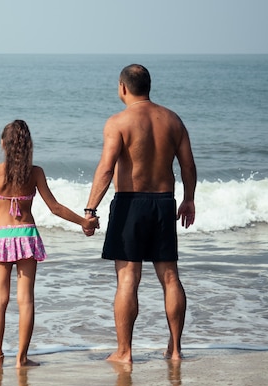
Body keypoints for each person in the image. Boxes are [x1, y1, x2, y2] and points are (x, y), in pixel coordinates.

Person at [0, 120, 100, 368]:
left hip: (2, 236)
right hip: (26, 236)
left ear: (3, 143)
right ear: (28, 146)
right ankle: (21, 359)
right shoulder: (35, 173)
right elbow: (55, 208)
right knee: (26, 300)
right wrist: (83, 222)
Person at [83, 64, 197, 363]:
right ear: (148, 86)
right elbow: (187, 165)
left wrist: (90, 209)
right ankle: (174, 349)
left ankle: (125, 352)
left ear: (123, 87)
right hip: (163, 202)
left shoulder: (118, 122)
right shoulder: (172, 120)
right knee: (170, 277)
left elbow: (106, 168)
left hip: (130, 203)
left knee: (128, 279)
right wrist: (189, 199)